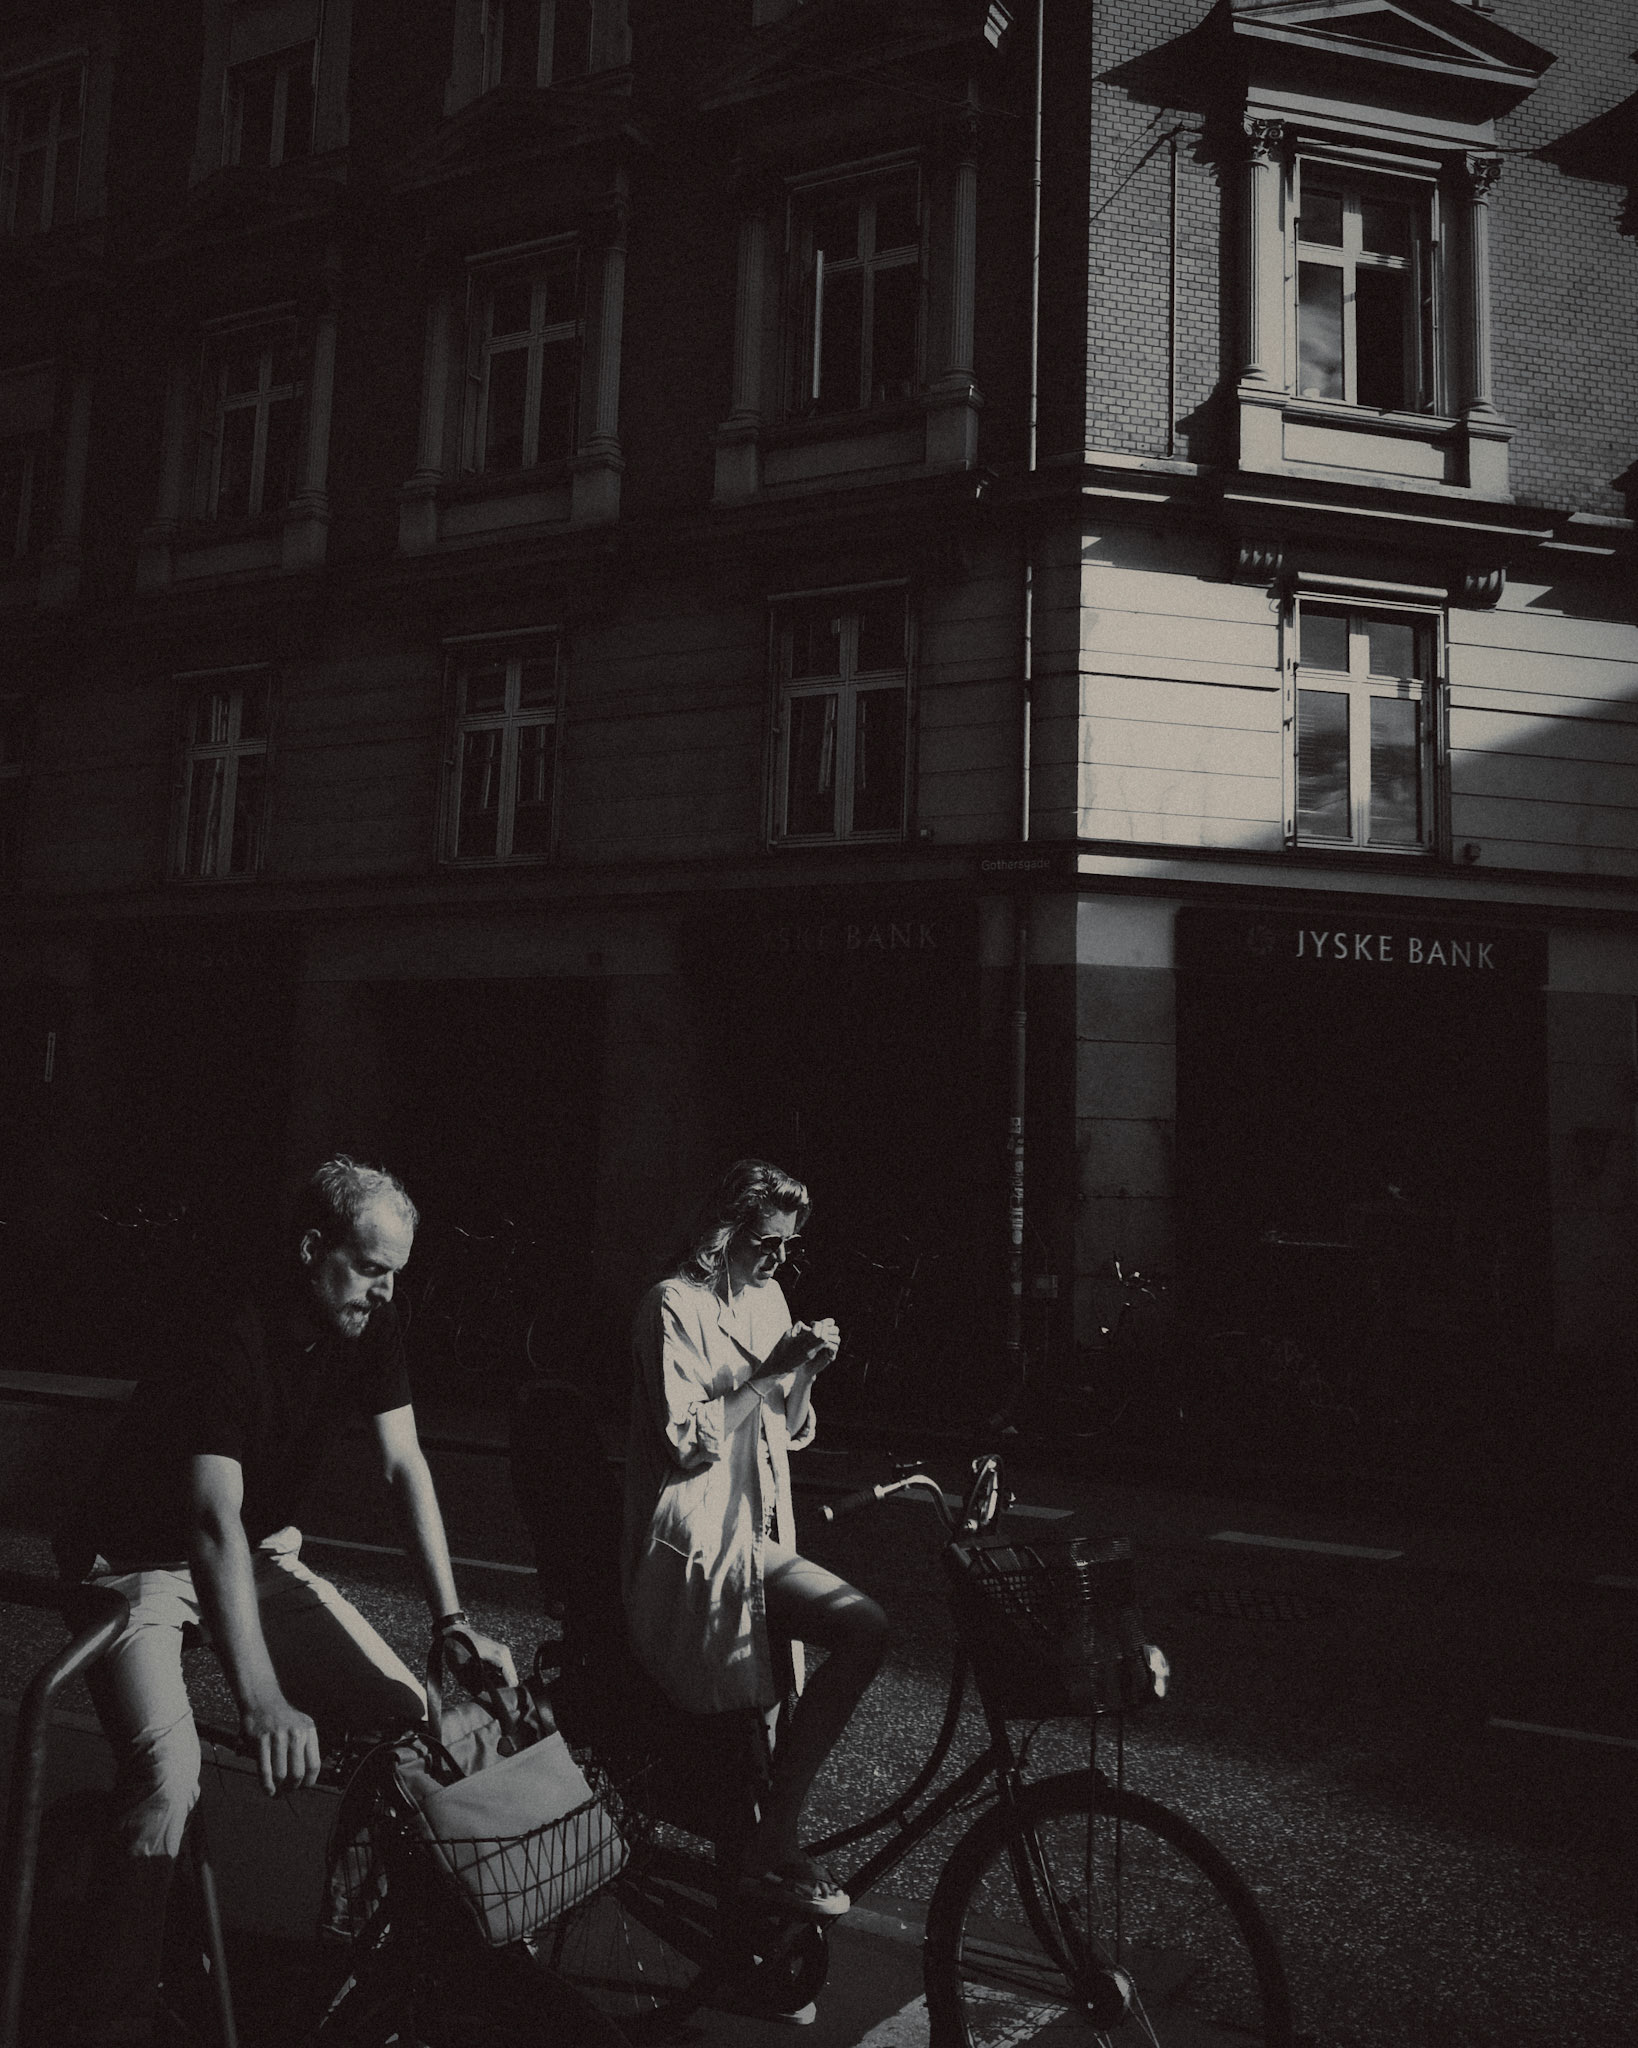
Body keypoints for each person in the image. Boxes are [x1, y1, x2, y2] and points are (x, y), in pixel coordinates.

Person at [59, 1156, 516, 2048]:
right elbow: (208, 1520)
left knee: (408, 1723)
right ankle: (102, 2021)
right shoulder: (226, 1329)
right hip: (136, 1564)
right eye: (373, 1270)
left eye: (397, 1277)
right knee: (167, 1777)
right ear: (314, 1248)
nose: (386, 1294)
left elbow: (402, 1464)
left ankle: (359, 1978)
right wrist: (262, 1696)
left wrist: (451, 1622)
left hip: (254, 1552)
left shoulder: (368, 1321)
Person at [622, 1158, 888, 1922]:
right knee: (862, 1627)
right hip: (694, 1536)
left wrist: (807, 1374)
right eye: (765, 1243)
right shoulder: (670, 1305)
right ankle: (779, 1838)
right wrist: (774, 1373)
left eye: (788, 1247)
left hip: (759, 1529)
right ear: (723, 1233)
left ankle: (755, 1933)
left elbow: (788, 1429)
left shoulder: (769, 1299)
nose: (777, 1260)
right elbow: (688, 1441)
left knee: (759, 1734)